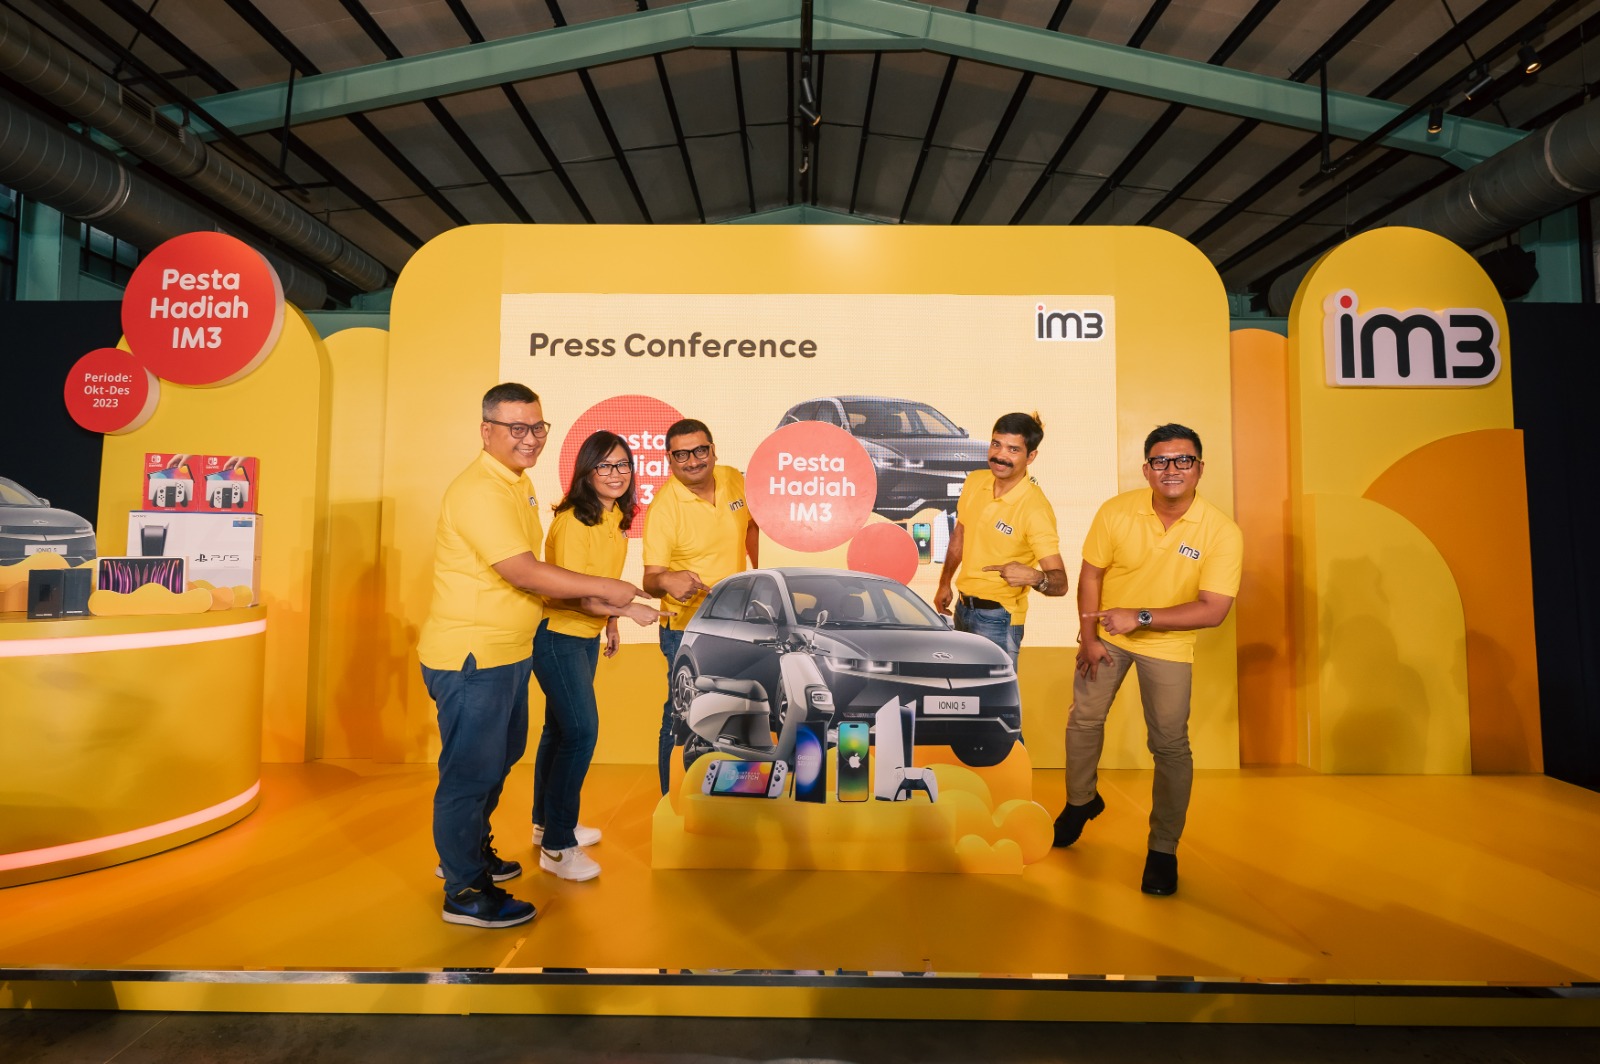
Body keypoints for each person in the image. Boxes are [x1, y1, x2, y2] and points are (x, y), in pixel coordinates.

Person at [418, 383, 645, 928]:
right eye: (516, 428)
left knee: (499, 760)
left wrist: (611, 608)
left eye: (538, 427)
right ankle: (463, 891)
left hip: (509, 652)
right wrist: (611, 592)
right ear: (486, 431)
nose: (531, 438)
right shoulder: (481, 490)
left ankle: (473, 855)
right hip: (472, 656)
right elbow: (522, 571)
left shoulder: (515, 484)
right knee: (470, 774)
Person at [1052, 423, 1243, 897]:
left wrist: (1140, 616)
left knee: (1170, 745)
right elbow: (1091, 575)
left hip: (1167, 643)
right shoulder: (1117, 511)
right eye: (1161, 461)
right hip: (1108, 636)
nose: (1171, 469)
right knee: (1083, 721)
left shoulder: (1222, 531)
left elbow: (1213, 610)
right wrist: (1089, 636)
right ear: (1146, 469)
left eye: (1183, 460)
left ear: (1200, 468)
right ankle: (1080, 801)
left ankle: (1163, 849)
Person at [531, 431, 661, 882]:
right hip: (558, 637)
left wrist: (610, 623)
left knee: (557, 732)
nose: (616, 473)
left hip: (583, 636)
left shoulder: (614, 517)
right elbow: (571, 592)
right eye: (604, 465)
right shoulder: (574, 521)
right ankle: (558, 847)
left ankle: (546, 825)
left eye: (623, 464)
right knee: (580, 734)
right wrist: (629, 611)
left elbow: (599, 583)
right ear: (586, 472)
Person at [640, 418, 758, 793]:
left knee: (734, 709)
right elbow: (650, 579)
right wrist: (667, 581)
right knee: (684, 714)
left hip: (737, 625)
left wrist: (763, 574)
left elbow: (752, 525)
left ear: (713, 450)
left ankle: (725, 795)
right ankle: (674, 799)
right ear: (669, 459)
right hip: (688, 631)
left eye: (699, 450)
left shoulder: (733, 478)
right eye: (682, 454)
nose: (693, 460)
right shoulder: (664, 507)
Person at [935, 412, 1068, 664]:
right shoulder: (975, 481)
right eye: (996, 444)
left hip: (999, 618)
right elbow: (960, 535)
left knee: (996, 690)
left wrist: (1035, 577)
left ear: (1031, 457)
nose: (1000, 455)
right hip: (962, 609)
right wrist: (944, 583)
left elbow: (1060, 584)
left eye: (1013, 449)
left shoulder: (1035, 509)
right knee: (965, 688)